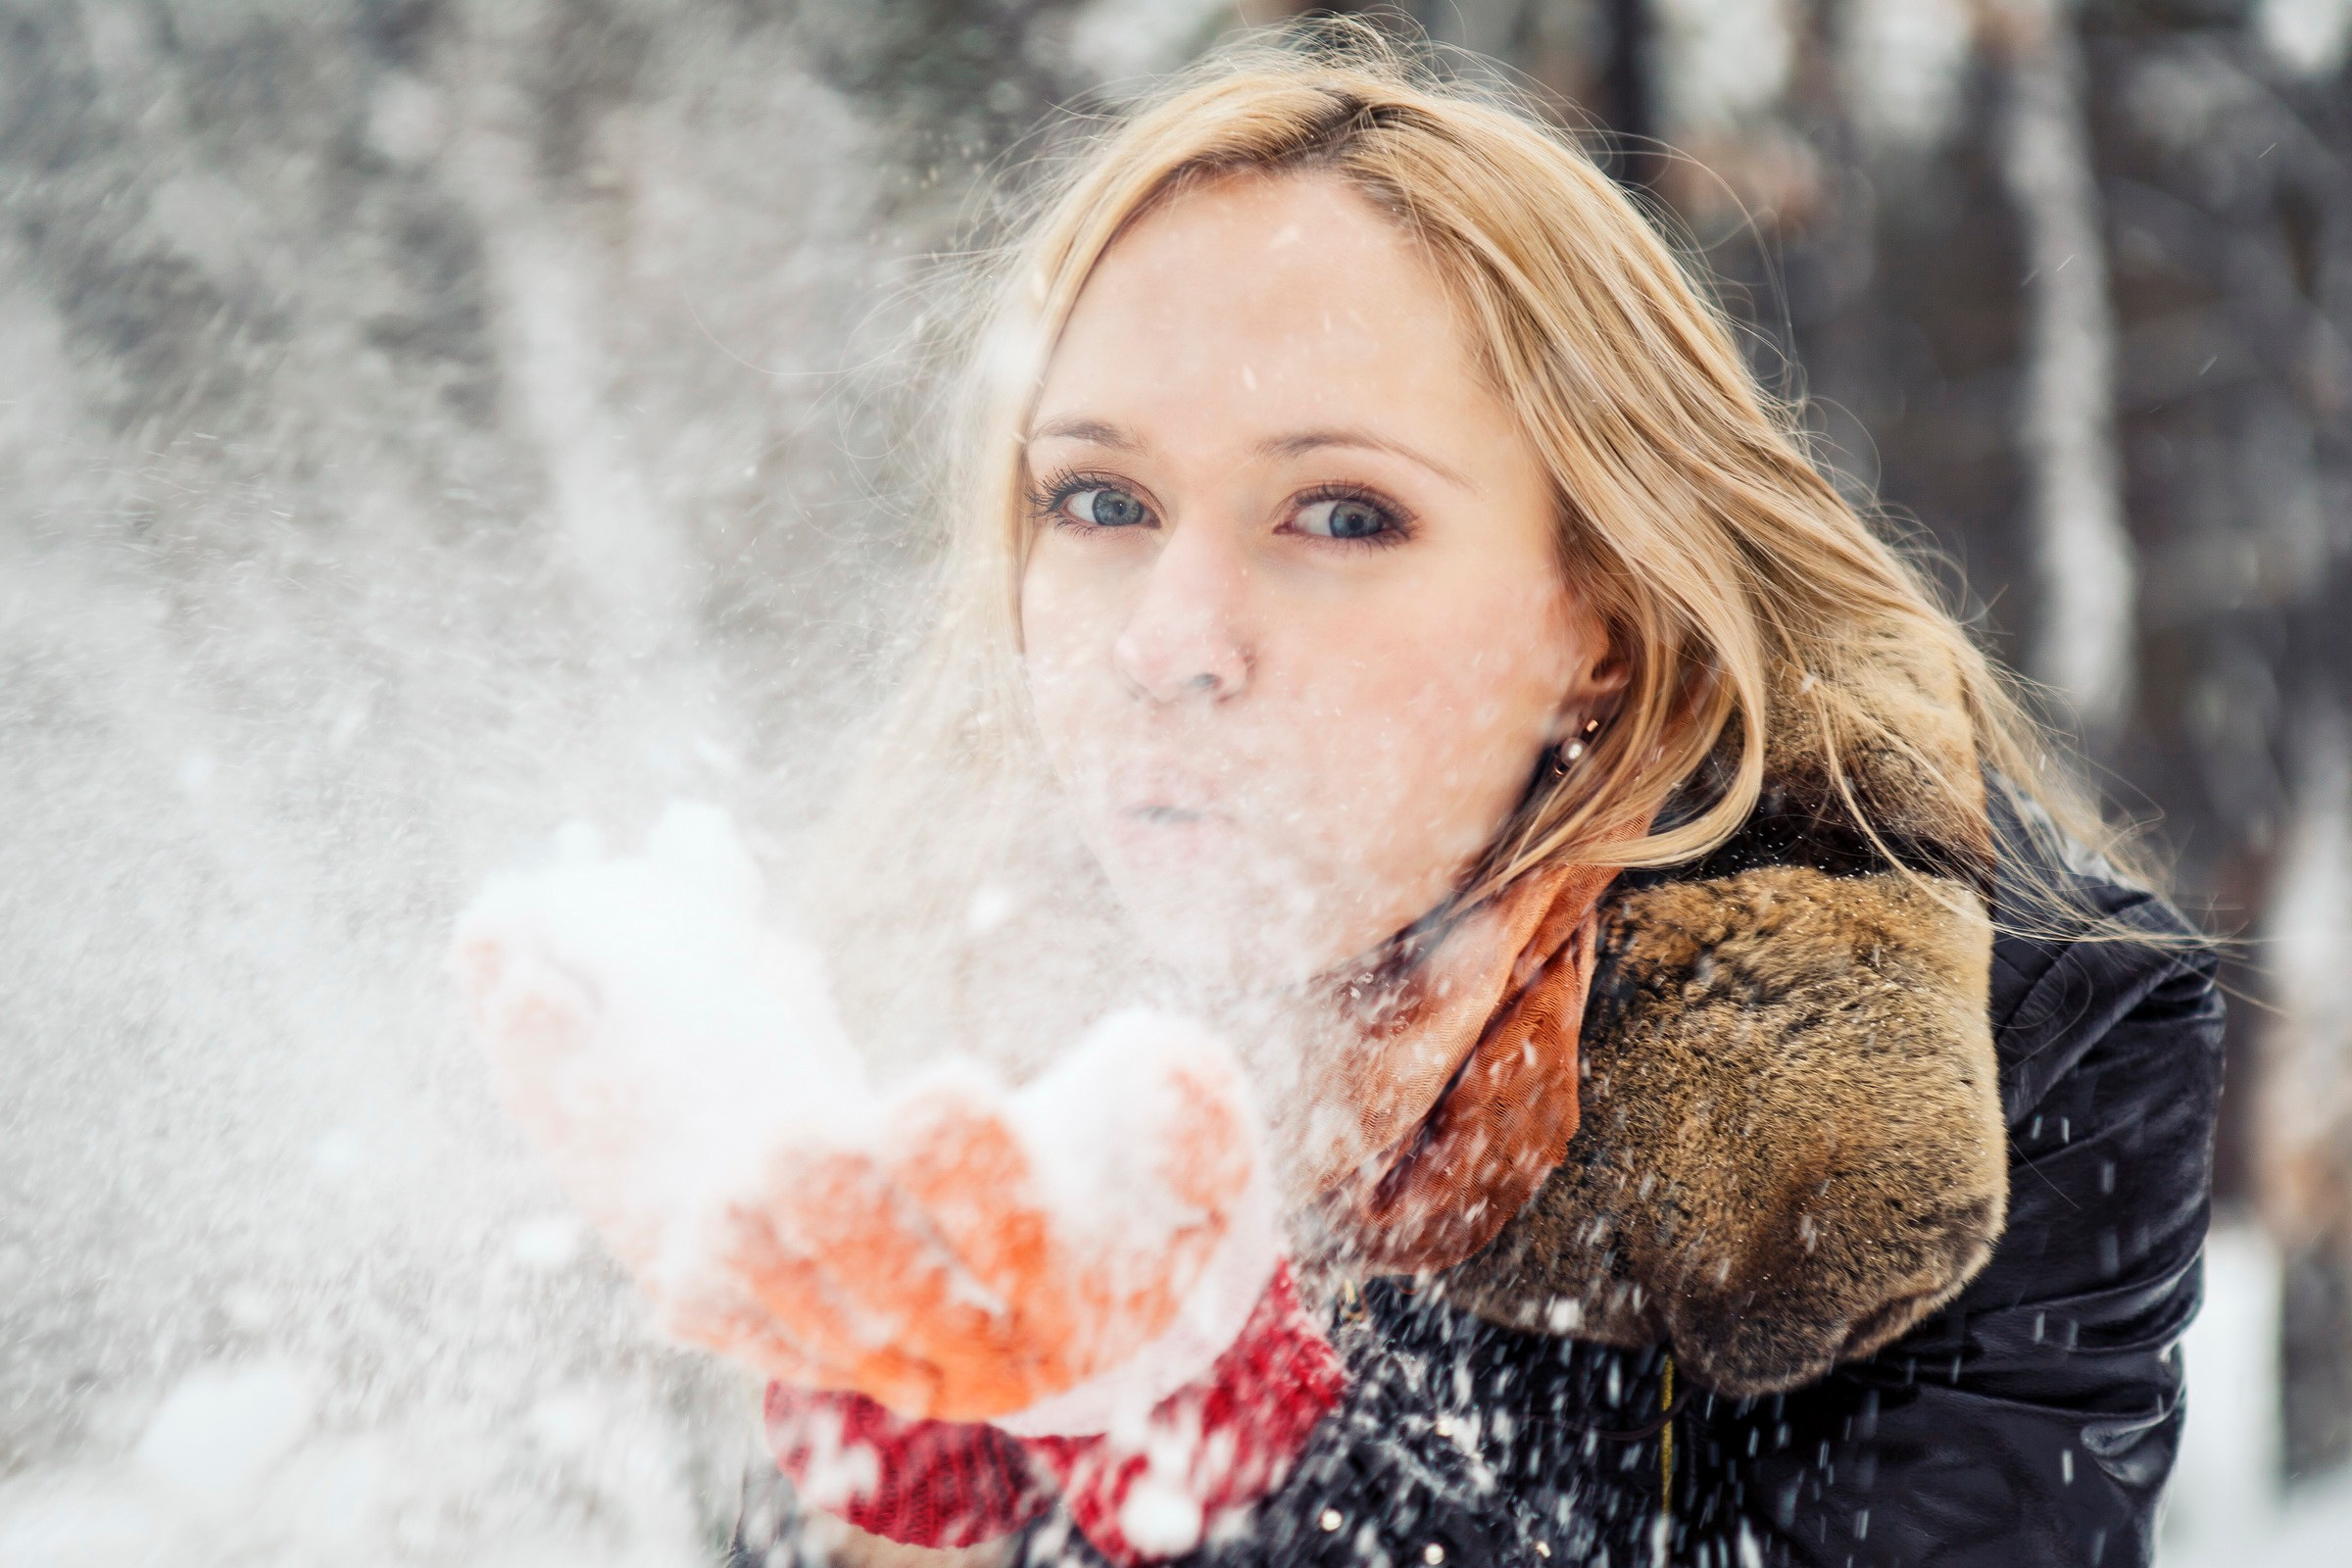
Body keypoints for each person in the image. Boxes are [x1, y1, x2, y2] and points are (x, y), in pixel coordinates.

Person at [465, 29, 2223, 1568]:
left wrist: (1199, 1426)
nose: (1173, 642)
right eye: (1097, 503)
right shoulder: (932, 1038)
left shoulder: (2016, 1054)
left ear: (1598, 620)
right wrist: (890, 1507)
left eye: (1343, 514)